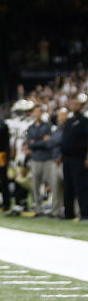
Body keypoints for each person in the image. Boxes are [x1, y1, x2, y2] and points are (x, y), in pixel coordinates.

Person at [60, 93, 88, 221]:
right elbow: (65, 140)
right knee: (67, 186)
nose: (74, 106)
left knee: (80, 186)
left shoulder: (84, 121)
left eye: (77, 104)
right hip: (66, 158)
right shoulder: (69, 121)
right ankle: (68, 213)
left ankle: (84, 213)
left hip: (79, 158)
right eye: (73, 103)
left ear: (81, 106)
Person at [25, 104, 53, 216]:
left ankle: (53, 207)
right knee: (35, 186)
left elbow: (48, 143)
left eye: (39, 111)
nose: (37, 114)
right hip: (36, 159)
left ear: (41, 113)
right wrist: (41, 141)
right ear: (33, 113)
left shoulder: (47, 125)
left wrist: (35, 142)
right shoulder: (31, 127)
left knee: (52, 184)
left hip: (47, 159)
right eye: (35, 111)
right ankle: (38, 208)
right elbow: (29, 144)